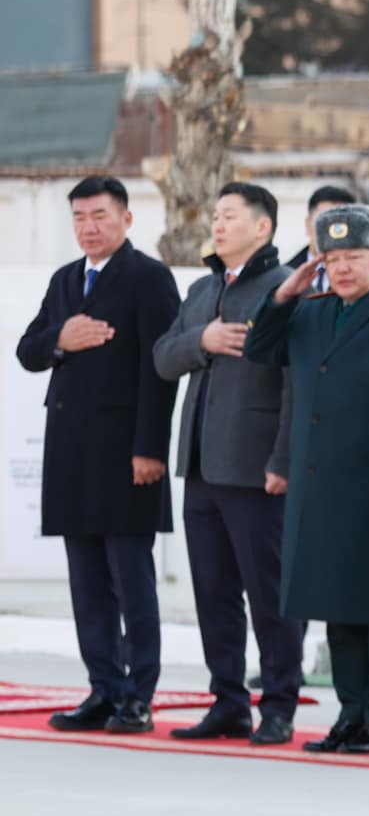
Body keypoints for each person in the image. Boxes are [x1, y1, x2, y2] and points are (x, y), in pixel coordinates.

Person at [246, 205, 369, 754]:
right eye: (332, 258)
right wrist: (283, 296)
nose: (343, 268)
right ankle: (350, 714)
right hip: (318, 484)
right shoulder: (311, 309)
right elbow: (260, 351)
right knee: (335, 605)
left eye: (354, 257)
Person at [15, 177, 181, 734]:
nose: (89, 227)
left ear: (127, 219)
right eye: (80, 217)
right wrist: (62, 335)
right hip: (71, 454)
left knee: (131, 582)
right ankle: (102, 690)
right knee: (86, 582)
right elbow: (28, 350)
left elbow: (160, 373)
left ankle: (139, 696)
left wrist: (150, 449)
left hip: (127, 456)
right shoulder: (66, 279)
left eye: (100, 216)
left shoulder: (149, 278)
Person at [151, 182, 302, 745]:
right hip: (201, 464)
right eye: (215, 215)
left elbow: (294, 384)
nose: (217, 225)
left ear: (262, 228)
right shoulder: (200, 289)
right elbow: (164, 358)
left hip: (256, 466)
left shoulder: (286, 287)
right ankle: (228, 702)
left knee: (268, 592)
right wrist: (204, 339)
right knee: (213, 591)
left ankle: (280, 703)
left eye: (230, 216)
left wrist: (282, 458)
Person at [288, 185, 358, 295]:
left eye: (340, 224)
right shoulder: (284, 277)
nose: (332, 231)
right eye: (324, 222)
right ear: (307, 225)